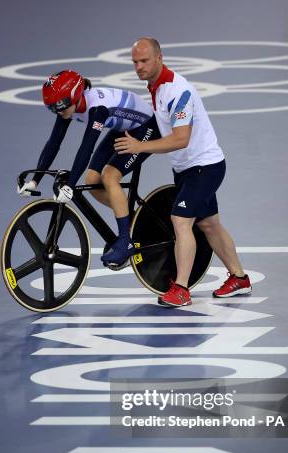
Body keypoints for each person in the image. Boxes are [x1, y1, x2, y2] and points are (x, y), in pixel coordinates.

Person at [114, 38, 251, 306]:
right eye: (135, 62)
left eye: (144, 61)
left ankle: (181, 289)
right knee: (209, 224)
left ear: (159, 58)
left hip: (205, 167)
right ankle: (240, 278)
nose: (139, 67)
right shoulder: (155, 87)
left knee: (180, 220)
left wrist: (140, 147)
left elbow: (180, 139)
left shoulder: (178, 92)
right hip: (187, 169)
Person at [17, 69, 160, 267]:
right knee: (92, 180)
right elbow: (53, 143)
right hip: (125, 128)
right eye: (52, 108)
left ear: (75, 96)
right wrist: (35, 180)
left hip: (147, 128)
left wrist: (70, 184)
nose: (58, 111)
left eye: (60, 106)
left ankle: (126, 242)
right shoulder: (67, 106)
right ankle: (135, 221)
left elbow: (86, 148)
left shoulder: (97, 109)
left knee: (109, 177)